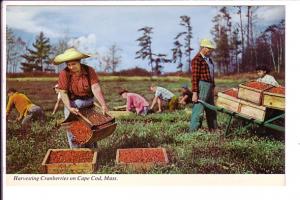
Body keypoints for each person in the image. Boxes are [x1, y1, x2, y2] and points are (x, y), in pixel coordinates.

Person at [53, 47, 109, 148]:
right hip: (73, 105)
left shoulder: (89, 70)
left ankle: (93, 153)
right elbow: (63, 92)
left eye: (73, 64)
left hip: (88, 104)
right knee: (74, 130)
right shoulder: (64, 73)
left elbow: (95, 87)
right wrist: (70, 107)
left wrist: (103, 105)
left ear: (79, 62)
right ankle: (77, 153)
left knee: (92, 128)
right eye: (68, 64)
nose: (71, 67)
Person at [190, 39, 217, 132]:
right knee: (198, 110)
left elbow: (211, 74)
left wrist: (213, 86)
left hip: (209, 86)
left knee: (212, 109)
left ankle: (213, 130)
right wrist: (195, 93)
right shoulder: (197, 60)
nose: (210, 51)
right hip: (202, 86)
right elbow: (194, 77)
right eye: (209, 48)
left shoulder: (209, 60)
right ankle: (193, 132)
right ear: (203, 47)